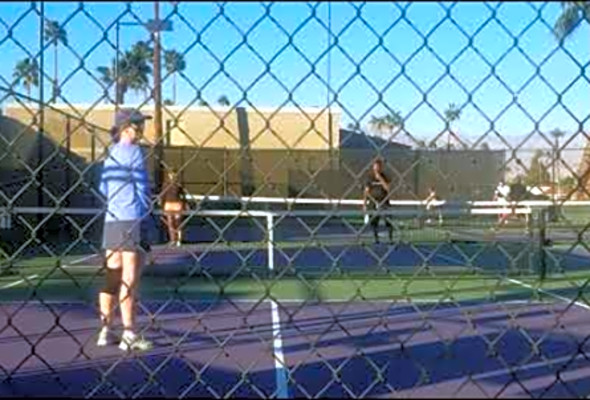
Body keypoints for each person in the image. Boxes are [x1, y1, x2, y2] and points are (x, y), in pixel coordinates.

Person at [96, 108, 153, 352]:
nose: (143, 128)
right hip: (131, 220)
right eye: (140, 124)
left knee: (112, 276)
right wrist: (143, 213)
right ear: (128, 127)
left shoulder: (111, 155)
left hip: (112, 220)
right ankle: (129, 333)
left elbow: (103, 188)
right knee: (129, 278)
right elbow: (142, 189)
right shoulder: (135, 152)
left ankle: (105, 330)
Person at [363, 158, 394, 244]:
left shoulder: (385, 176)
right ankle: (376, 239)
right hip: (373, 202)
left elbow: (387, 188)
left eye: (379, 167)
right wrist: (364, 204)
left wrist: (380, 178)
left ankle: (390, 239)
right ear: (373, 167)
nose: (377, 168)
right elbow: (366, 191)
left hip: (384, 202)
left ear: (381, 167)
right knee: (374, 221)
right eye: (375, 166)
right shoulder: (369, 178)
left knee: (388, 220)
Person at [161, 169, 186, 246]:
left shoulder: (179, 185)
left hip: (177, 204)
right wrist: (162, 205)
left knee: (178, 222)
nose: (172, 176)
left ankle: (179, 239)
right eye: (171, 174)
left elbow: (183, 196)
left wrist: (184, 204)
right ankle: (173, 239)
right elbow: (163, 196)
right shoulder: (165, 185)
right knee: (170, 223)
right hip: (168, 205)